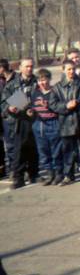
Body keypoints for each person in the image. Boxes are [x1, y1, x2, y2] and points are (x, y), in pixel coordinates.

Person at [2, 59, 38, 188]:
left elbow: (44, 98)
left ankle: (34, 174)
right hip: (18, 121)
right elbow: (3, 102)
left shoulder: (38, 82)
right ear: (20, 68)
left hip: (34, 120)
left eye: (31, 66)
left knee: (33, 149)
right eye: (27, 66)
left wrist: (33, 109)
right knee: (19, 151)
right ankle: (18, 178)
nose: (29, 69)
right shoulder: (12, 84)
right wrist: (9, 108)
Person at [30, 68, 65, 186]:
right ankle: (50, 174)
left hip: (53, 122)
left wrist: (49, 106)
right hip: (39, 124)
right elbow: (31, 107)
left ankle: (59, 173)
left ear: (49, 79)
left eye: (44, 80)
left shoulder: (55, 91)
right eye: (40, 80)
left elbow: (60, 107)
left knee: (56, 150)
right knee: (43, 151)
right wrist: (30, 112)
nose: (42, 83)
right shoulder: (35, 93)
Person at [55, 59, 80, 185]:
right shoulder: (57, 87)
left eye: (73, 69)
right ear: (63, 70)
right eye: (68, 69)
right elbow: (53, 104)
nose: (71, 71)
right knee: (68, 150)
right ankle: (68, 175)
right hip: (66, 122)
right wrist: (66, 106)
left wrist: (77, 102)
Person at [0, 58, 16, 179]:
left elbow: (19, 98)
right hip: (4, 115)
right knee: (7, 144)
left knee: (14, 144)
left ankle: (15, 169)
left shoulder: (15, 79)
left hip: (13, 116)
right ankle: (6, 168)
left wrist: (10, 107)